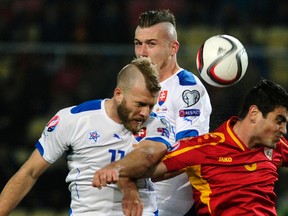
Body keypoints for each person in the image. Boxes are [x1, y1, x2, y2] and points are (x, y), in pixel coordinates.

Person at [0, 57, 172, 216]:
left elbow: (148, 155)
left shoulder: (157, 125)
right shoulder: (74, 120)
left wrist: (120, 174)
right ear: (118, 94)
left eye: (151, 106)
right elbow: (30, 172)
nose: (145, 113)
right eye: (140, 104)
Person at [93, 79, 288, 215]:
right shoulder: (204, 148)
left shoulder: (277, 146)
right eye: (279, 120)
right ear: (254, 113)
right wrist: (116, 169)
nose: (284, 129)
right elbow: (148, 168)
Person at [132, 9, 212, 216]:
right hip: (131, 199)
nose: (142, 52)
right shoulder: (133, 85)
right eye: (138, 43)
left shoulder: (187, 89)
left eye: (151, 44)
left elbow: (190, 153)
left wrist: (140, 171)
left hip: (166, 206)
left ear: (173, 47)